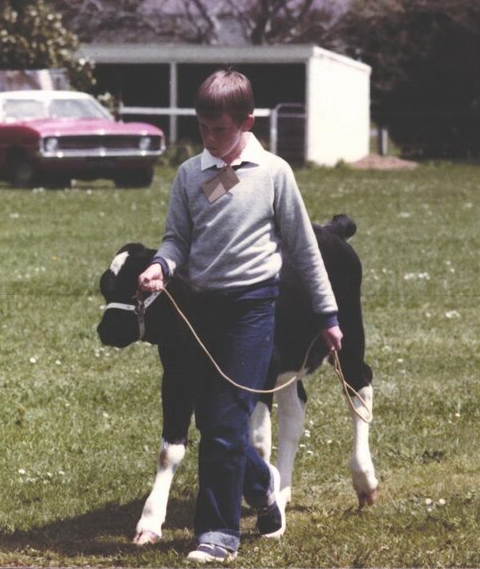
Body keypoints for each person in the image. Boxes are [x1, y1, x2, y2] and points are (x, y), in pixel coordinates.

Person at [136, 69, 343, 563]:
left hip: (253, 312)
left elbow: (304, 248)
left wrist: (328, 314)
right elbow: (176, 239)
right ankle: (264, 486)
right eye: (203, 128)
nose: (211, 138)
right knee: (213, 420)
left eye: (221, 130)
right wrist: (161, 265)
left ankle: (218, 534)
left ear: (247, 121)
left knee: (227, 423)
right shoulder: (189, 175)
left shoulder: (274, 173)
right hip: (200, 311)